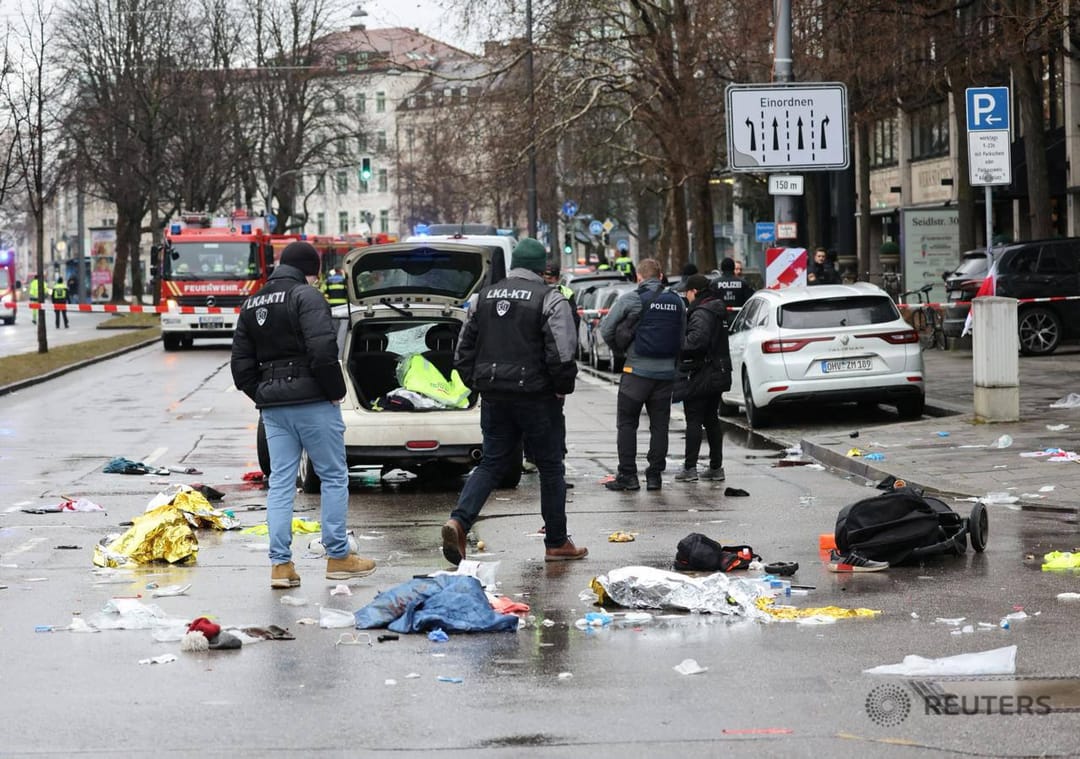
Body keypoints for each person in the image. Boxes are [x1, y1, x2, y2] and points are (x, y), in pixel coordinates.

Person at [230, 241, 376, 589]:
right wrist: (333, 391)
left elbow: (240, 366)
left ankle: (281, 566)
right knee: (334, 477)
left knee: (281, 482)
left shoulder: (253, 303)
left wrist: (265, 394)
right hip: (313, 401)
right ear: (311, 271)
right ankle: (339, 557)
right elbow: (324, 349)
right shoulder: (306, 296)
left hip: (274, 409)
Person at [443, 238, 585, 565]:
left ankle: (459, 521)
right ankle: (556, 541)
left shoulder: (482, 298)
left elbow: (463, 351)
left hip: (495, 395)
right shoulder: (550, 298)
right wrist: (561, 387)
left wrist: (476, 384)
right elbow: (562, 353)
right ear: (543, 268)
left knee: (492, 462)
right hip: (537, 397)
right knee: (550, 467)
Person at [599, 258, 685, 491]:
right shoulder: (677, 301)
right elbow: (682, 336)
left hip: (636, 373)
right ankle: (655, 476)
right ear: (661, 276)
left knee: (627, 424)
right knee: (660, 426)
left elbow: (606, 329)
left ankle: (628, 475)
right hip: (666, 374)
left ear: (638, 277)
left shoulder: (631, 299)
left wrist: (622, 352)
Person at [673, 274, 731, 483]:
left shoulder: (701, 312)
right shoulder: (716, 309)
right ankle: (716, 467)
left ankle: (690, 468)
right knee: (711, 420)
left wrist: (678, 342)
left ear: (694, 291)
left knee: (694, 420)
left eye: (686, 293)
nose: (685, 297)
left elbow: (695, 342)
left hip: (701, 373)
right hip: (717, 371)